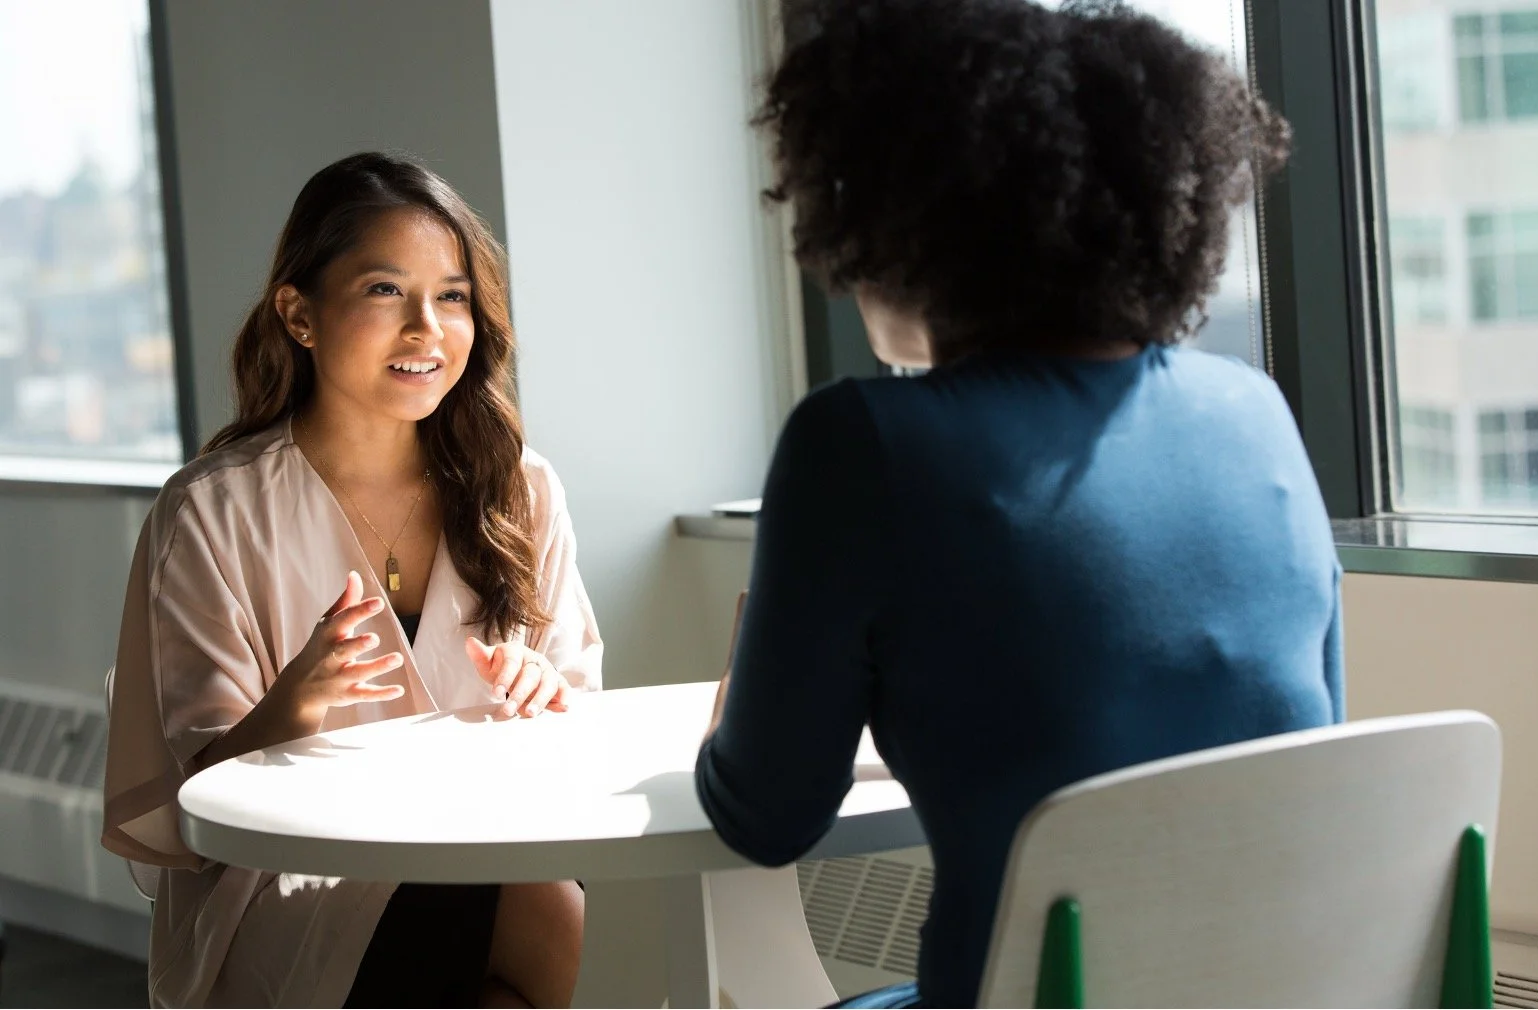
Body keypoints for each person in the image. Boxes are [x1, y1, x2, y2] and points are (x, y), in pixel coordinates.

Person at [694, 1, 1339, 1006]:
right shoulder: (1256, 414)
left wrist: (742, 695)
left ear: (901, 219)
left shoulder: (862, 443)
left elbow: (766, 817)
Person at [101, 152, 602, 1008]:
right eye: (384, 291)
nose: (428, 329)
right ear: (299, 314)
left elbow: (583, 728)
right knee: (532, 905)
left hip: (486, 850)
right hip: (286, 886)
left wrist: (544, 689)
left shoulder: (520, 488)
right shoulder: (212, 513)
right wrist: (295, 701)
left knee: (539, 896)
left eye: (451, 296)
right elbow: (200, 813)